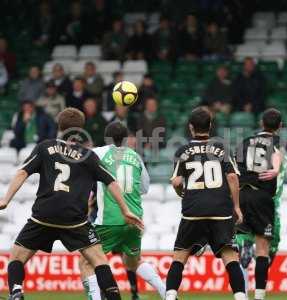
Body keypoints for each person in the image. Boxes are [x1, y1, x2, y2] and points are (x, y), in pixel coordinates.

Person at [0, 107, 143, 300]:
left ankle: (16, 291)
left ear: (60, 127)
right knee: (100, 261)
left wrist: (5, 200)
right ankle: (113, 297)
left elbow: (22, 172)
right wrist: (125, 210)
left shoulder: (45, 147)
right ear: (81, 129)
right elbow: (112, 183)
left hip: (44, 216)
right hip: (74, 220)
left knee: (16, 257)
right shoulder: (89, 156)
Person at [166, 107, 246, 300]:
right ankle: (241, 297)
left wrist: (181, 192)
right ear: (210, 126)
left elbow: (176, 181)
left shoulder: (183, 151)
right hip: (221, 211)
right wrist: (236, 207)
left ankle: (169, 296)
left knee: (180, 257)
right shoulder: (222, 148)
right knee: (230, 258)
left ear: (191, 127)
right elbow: (233, 178)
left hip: (193, 211)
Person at [79, 121, 166, 300]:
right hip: (135, 219)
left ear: (106, 138)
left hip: (110, 219)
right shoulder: (135, 156)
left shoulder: (98, 153)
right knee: (133, 261)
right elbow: (144, 188)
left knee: (86, 261)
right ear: (125, 139)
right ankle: (166, 293)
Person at [236, 155, 287, 293]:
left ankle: (246, 248)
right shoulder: (284, 160)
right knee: (269, 252)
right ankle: (259, 257)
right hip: (269, 210)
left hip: (249, 206)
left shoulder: (252, 156)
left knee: (244, 251)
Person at [235, 108, 282, 300]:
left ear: (261, 123)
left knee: (235, 249)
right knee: (263, 250)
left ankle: (240, 296)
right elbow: (277, 153)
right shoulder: (275, 142)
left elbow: (234, 169)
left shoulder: (244, 142)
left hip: (243, 195)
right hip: (261, 196)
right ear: (279, 127)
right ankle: (259, 297)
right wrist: (276, 168)